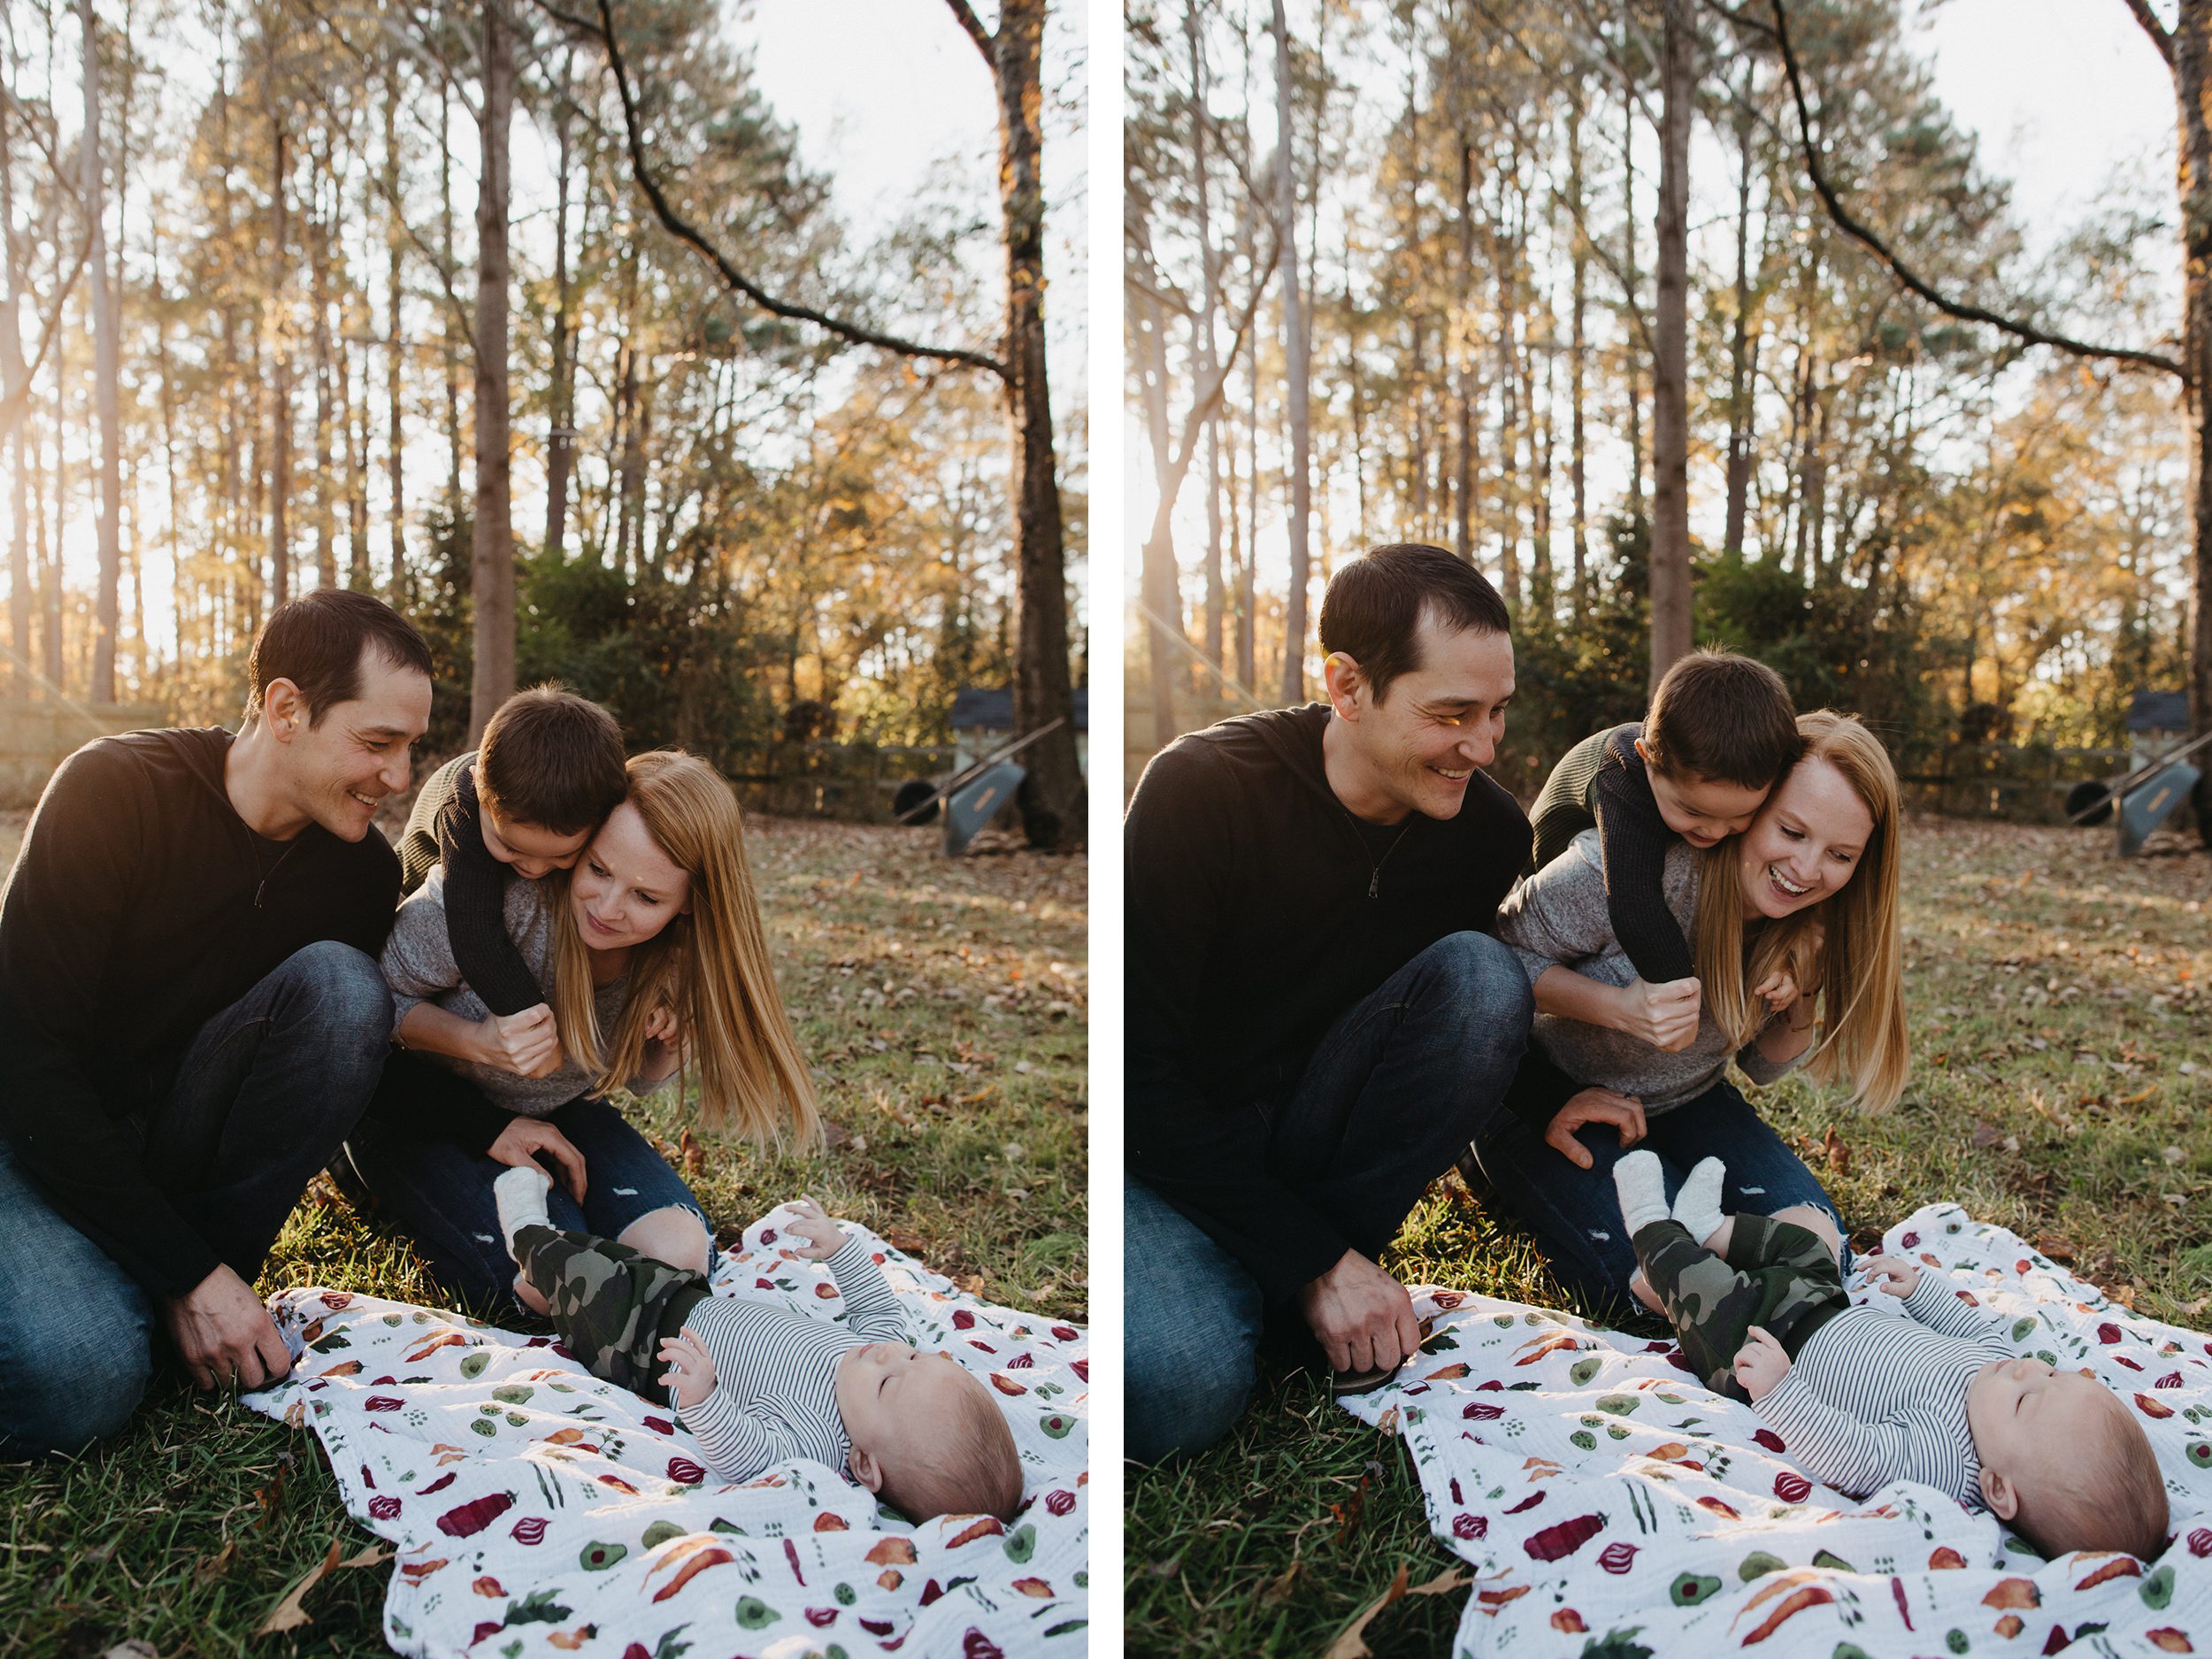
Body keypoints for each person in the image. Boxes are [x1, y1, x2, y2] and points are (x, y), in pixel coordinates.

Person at [1125, 542, 1536, 1463]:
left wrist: (1555, 1100)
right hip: (1164, 1154)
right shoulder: (1201, 792)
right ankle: (1284, 1286)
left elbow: (1435, 1032)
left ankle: (1287, 1280)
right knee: (1174, 1392)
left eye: (1498, 712)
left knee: (1481, 977)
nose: (1482, 746)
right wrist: (1309, 1262)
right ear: (1348, 687)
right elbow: (1133, 1080)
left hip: (1313, 1137)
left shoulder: (1488, 832)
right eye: (1451, 714)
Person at [0, 591, 434, 1453]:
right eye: (377, 743)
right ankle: (168, 1296)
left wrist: (500, 1126)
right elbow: (25, 1064)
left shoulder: (357, 875)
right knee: (83, 1376)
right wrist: (184, 1272)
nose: (399, 779)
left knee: (350, 992)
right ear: (285, 709)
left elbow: (349, 1070)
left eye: (411, 747)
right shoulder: (115, 791)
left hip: (175, 1143)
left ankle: (180, 1293)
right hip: (35, 1138)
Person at [340, 749, 818, 1307]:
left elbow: (637, 1080)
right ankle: (376, 1180)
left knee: (679, 1258)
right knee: (554, 1285)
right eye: (598, 869)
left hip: (557, 1109)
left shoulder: (678, 956)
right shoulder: (502, 905)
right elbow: (365, 1002)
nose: (609, 908)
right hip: (425, 1110)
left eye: (647, 896)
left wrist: (668, 1047)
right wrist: (476, 1042)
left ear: (689, 904)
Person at [1470, 710, 1910, 1306]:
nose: (1807, 870)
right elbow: (1486, 963)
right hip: (1550, 1093)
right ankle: (1503, 1174)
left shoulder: (1810, 918)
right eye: (1792, 831)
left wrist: (1805, 982)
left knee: (1819, 1246)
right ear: (1751, 804)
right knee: (1675, 1283)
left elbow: (1764, 1065)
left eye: (1841, 854)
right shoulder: (1625, 870)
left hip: (1689, 1099)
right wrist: (1617, 1007)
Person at [1611, 1149, 2168, 1561]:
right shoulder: (1997, 1369)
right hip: (1826, 1304)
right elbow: (1969, 1326)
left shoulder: (1947, 1460)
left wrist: (1780, 1392)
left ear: (1999, 1488)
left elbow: (1855, 1453)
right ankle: (1710, 1227)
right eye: (2052, 1373)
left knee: (1710, 1297)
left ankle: (1650, 1223)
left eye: (2027, 1400)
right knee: (1807, 1247)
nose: (2028, 1370)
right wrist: (1922, 1290)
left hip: (1769, 1345)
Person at [490, 1170, 1023, 1523]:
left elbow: (748, 1455)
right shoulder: (877, 1353)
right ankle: (540, 1293)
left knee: (583, 1274)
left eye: (889, 1383)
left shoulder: (818, 1443)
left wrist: (705, 1401)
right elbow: (880, 1311)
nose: (890, 1355)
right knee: (619, 1262)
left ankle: (524, 1231)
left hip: (641, 1347)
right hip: (686, 1298)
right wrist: (841, 1250)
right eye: (915, 1358)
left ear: (864, 1464)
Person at [1525, 650, 1801, 992]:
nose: (1715, 832)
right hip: (1551, 876)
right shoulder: (1622, 776)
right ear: (1647, 759)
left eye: (1741, 815)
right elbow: (1635, 906)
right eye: (1693, 812)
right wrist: (1683, 989)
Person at [395, 686, 628, 1030]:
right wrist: (533, 1019)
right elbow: (476, 937)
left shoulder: (589, 790)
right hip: (410, 886)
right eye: (511, 848)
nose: (533, 869)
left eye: (562, 855)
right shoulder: (465, 808)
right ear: (477, 785)